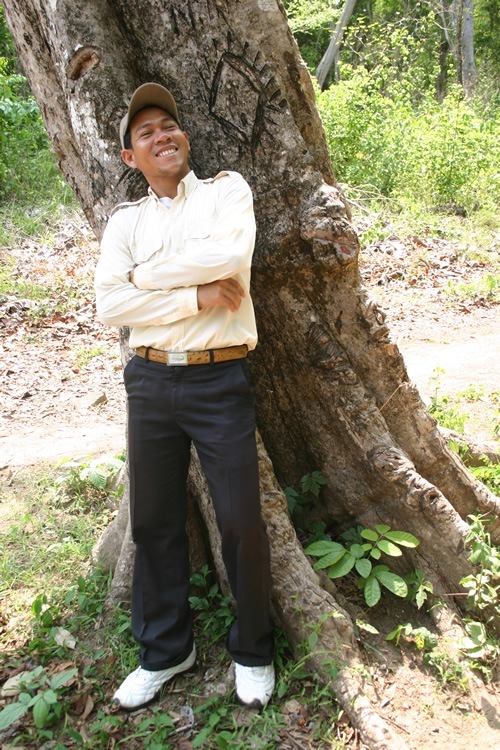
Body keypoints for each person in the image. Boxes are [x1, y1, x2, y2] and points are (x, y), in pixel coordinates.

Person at [94, 83, 275, 712]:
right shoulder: (125, 222)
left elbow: (229, 253)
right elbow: (110, 304)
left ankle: (253, 649)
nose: (162, 135)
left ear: (185, 137)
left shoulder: (227, 192)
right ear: (129, 157)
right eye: (145, 133)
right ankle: (166, 650)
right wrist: (192, 295)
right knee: (154, 522)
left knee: (240, 519)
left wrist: (146, 276)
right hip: (148, 382)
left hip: (218, 380)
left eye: (169, 125)